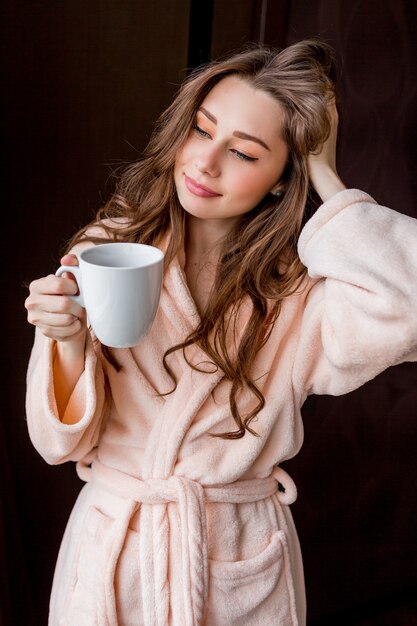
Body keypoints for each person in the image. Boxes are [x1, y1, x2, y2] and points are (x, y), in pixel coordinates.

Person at [24, 39, 417, 626]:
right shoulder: (103, 252)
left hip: (236, 561)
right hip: (115, 559)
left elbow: (408, 303)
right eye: (202, 130)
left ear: (285, 177)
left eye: (244, 153)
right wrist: (67, 341)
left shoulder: (300, 290)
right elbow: (59, 445)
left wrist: (329, 179)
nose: (205, 164)